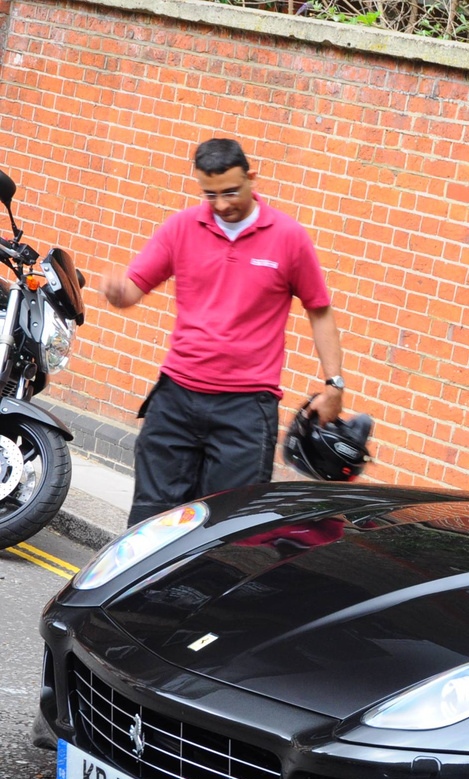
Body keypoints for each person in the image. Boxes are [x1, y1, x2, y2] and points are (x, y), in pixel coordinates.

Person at [101, 138, 348, 525]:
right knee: (151, 525)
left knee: (224, 531)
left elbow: (319, 312)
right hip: (176, 400)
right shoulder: (181, 227)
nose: (221, 205)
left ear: (251, 177)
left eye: (231, 191)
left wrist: (334, 385)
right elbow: (133, 288)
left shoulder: (288, 237)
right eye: (209, 194)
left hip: (246, 409)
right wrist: (117, 293)